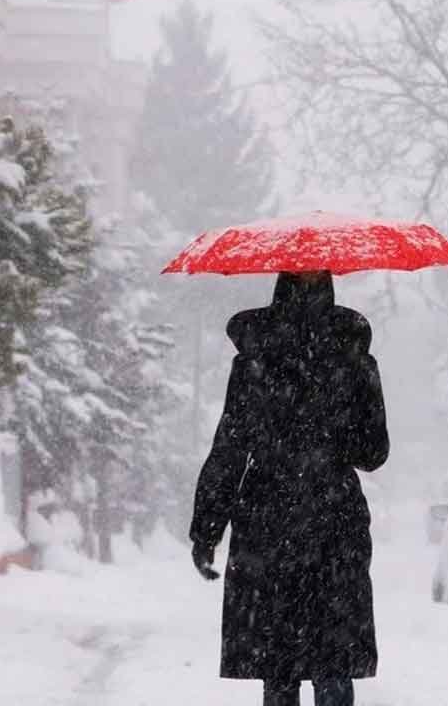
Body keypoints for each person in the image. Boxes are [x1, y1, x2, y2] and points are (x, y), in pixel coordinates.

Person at [190, 271, 390, 706]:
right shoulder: (354, 357)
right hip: (334, 520)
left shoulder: (254, 358)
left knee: (277, 663)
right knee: (332, 660)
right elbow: (374, 453)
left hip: (267, 520)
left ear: (279, 289)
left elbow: (230, 449)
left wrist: (207, 531)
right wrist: (338, 429)